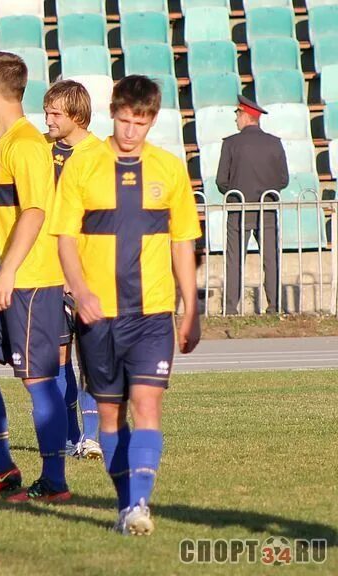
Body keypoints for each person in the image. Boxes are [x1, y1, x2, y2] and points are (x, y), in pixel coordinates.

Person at [51, 75, 202, 535]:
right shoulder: (84, 165)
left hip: (152, 314)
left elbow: (182, 244)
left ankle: (139, 506)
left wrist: (190, 309)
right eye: (123, 119)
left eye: (141, 122)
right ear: (112, 112)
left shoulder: (170, 169)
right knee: (111, 413)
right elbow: (65, 238)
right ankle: (126, 505)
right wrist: (80, 290)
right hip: (98, 316)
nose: (131, 130)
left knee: (147, 404)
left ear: (152, 120)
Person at [0, 52, 70, 503]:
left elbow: (35, 211)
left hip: (28, 281)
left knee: (37, 379)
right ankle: (1, 466)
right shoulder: (4, 141)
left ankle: (56, 482)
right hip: (1, 278)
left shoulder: (25, 144)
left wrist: (9, 271)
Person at [43, 80, 104, 461]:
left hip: (91, 273)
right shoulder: (42, 153)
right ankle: (68, 438)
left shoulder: (101, 155)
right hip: (48, 273)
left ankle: (92, 437)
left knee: (93, 359)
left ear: (77, 116)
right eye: (46, 111)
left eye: (54, 114)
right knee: (58, 359)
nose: (47, 119)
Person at [217, 95, 288, 315]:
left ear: (246, 116)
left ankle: (230, 309)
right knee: (271, 259)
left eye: (237, 115)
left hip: (239, 210)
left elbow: (221, 181)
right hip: (266, 209)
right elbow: (283, 179)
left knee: (235, 260)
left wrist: (236, 192)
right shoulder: (274, 143)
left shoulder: (231, 143)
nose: (236, 120)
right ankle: (275, 307)